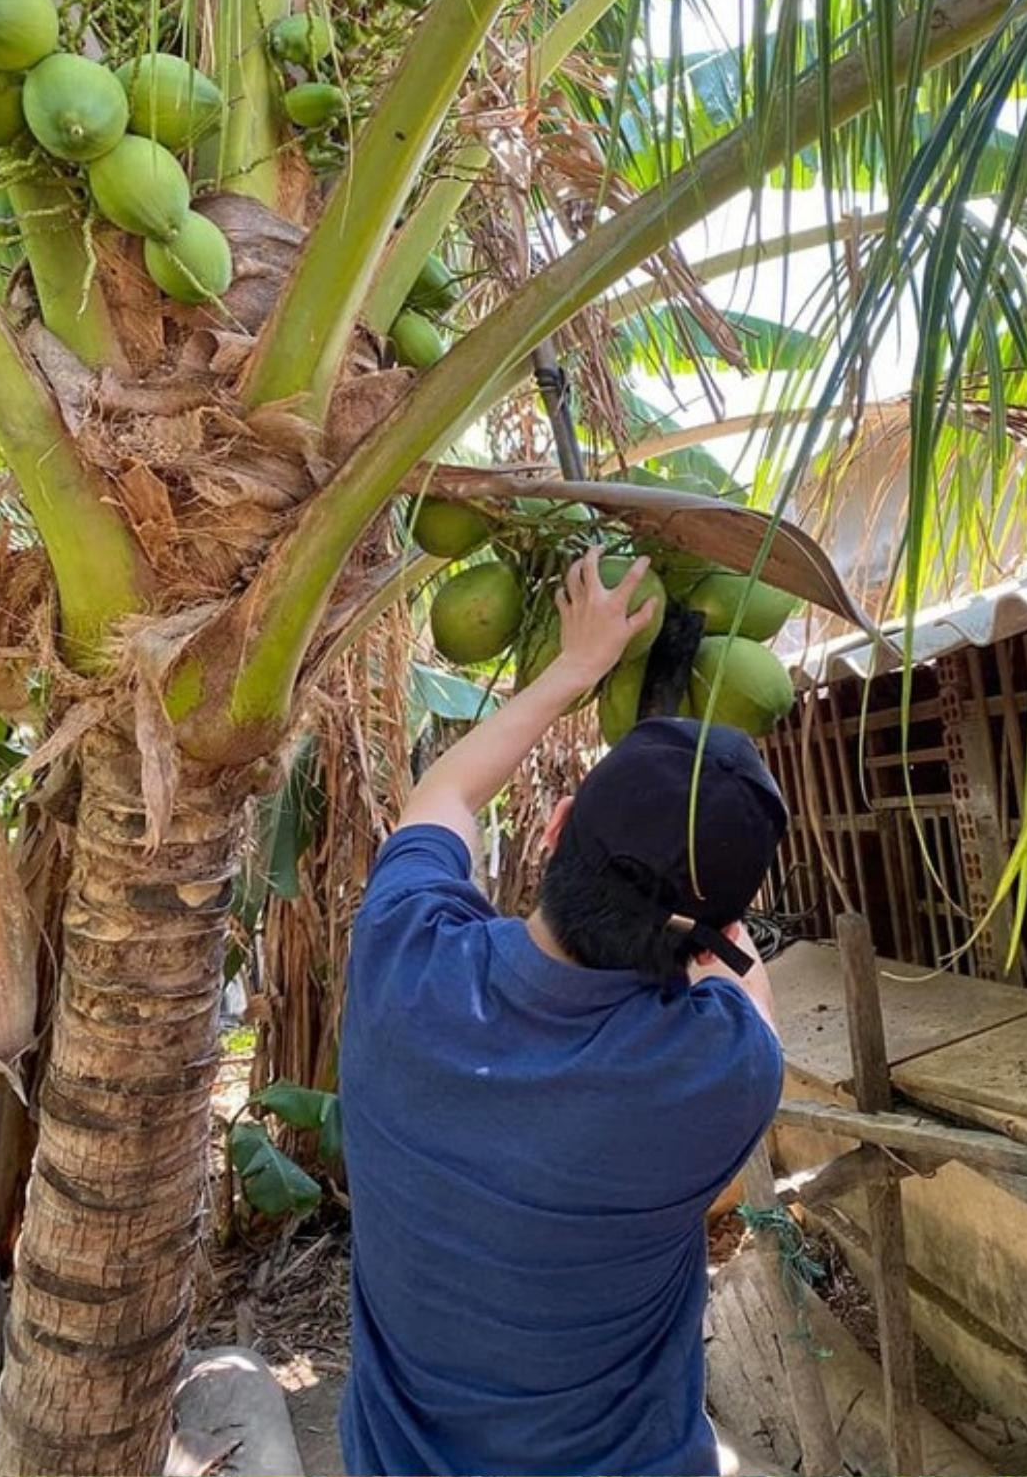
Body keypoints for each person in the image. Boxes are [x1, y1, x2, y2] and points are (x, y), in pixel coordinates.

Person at [339, 546, 788, 1477]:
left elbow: (448, 793)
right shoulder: (718, 1076)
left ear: (553, 824)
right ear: (713, 929)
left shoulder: (404, 960)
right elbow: (744, 992)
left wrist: (574, 668)